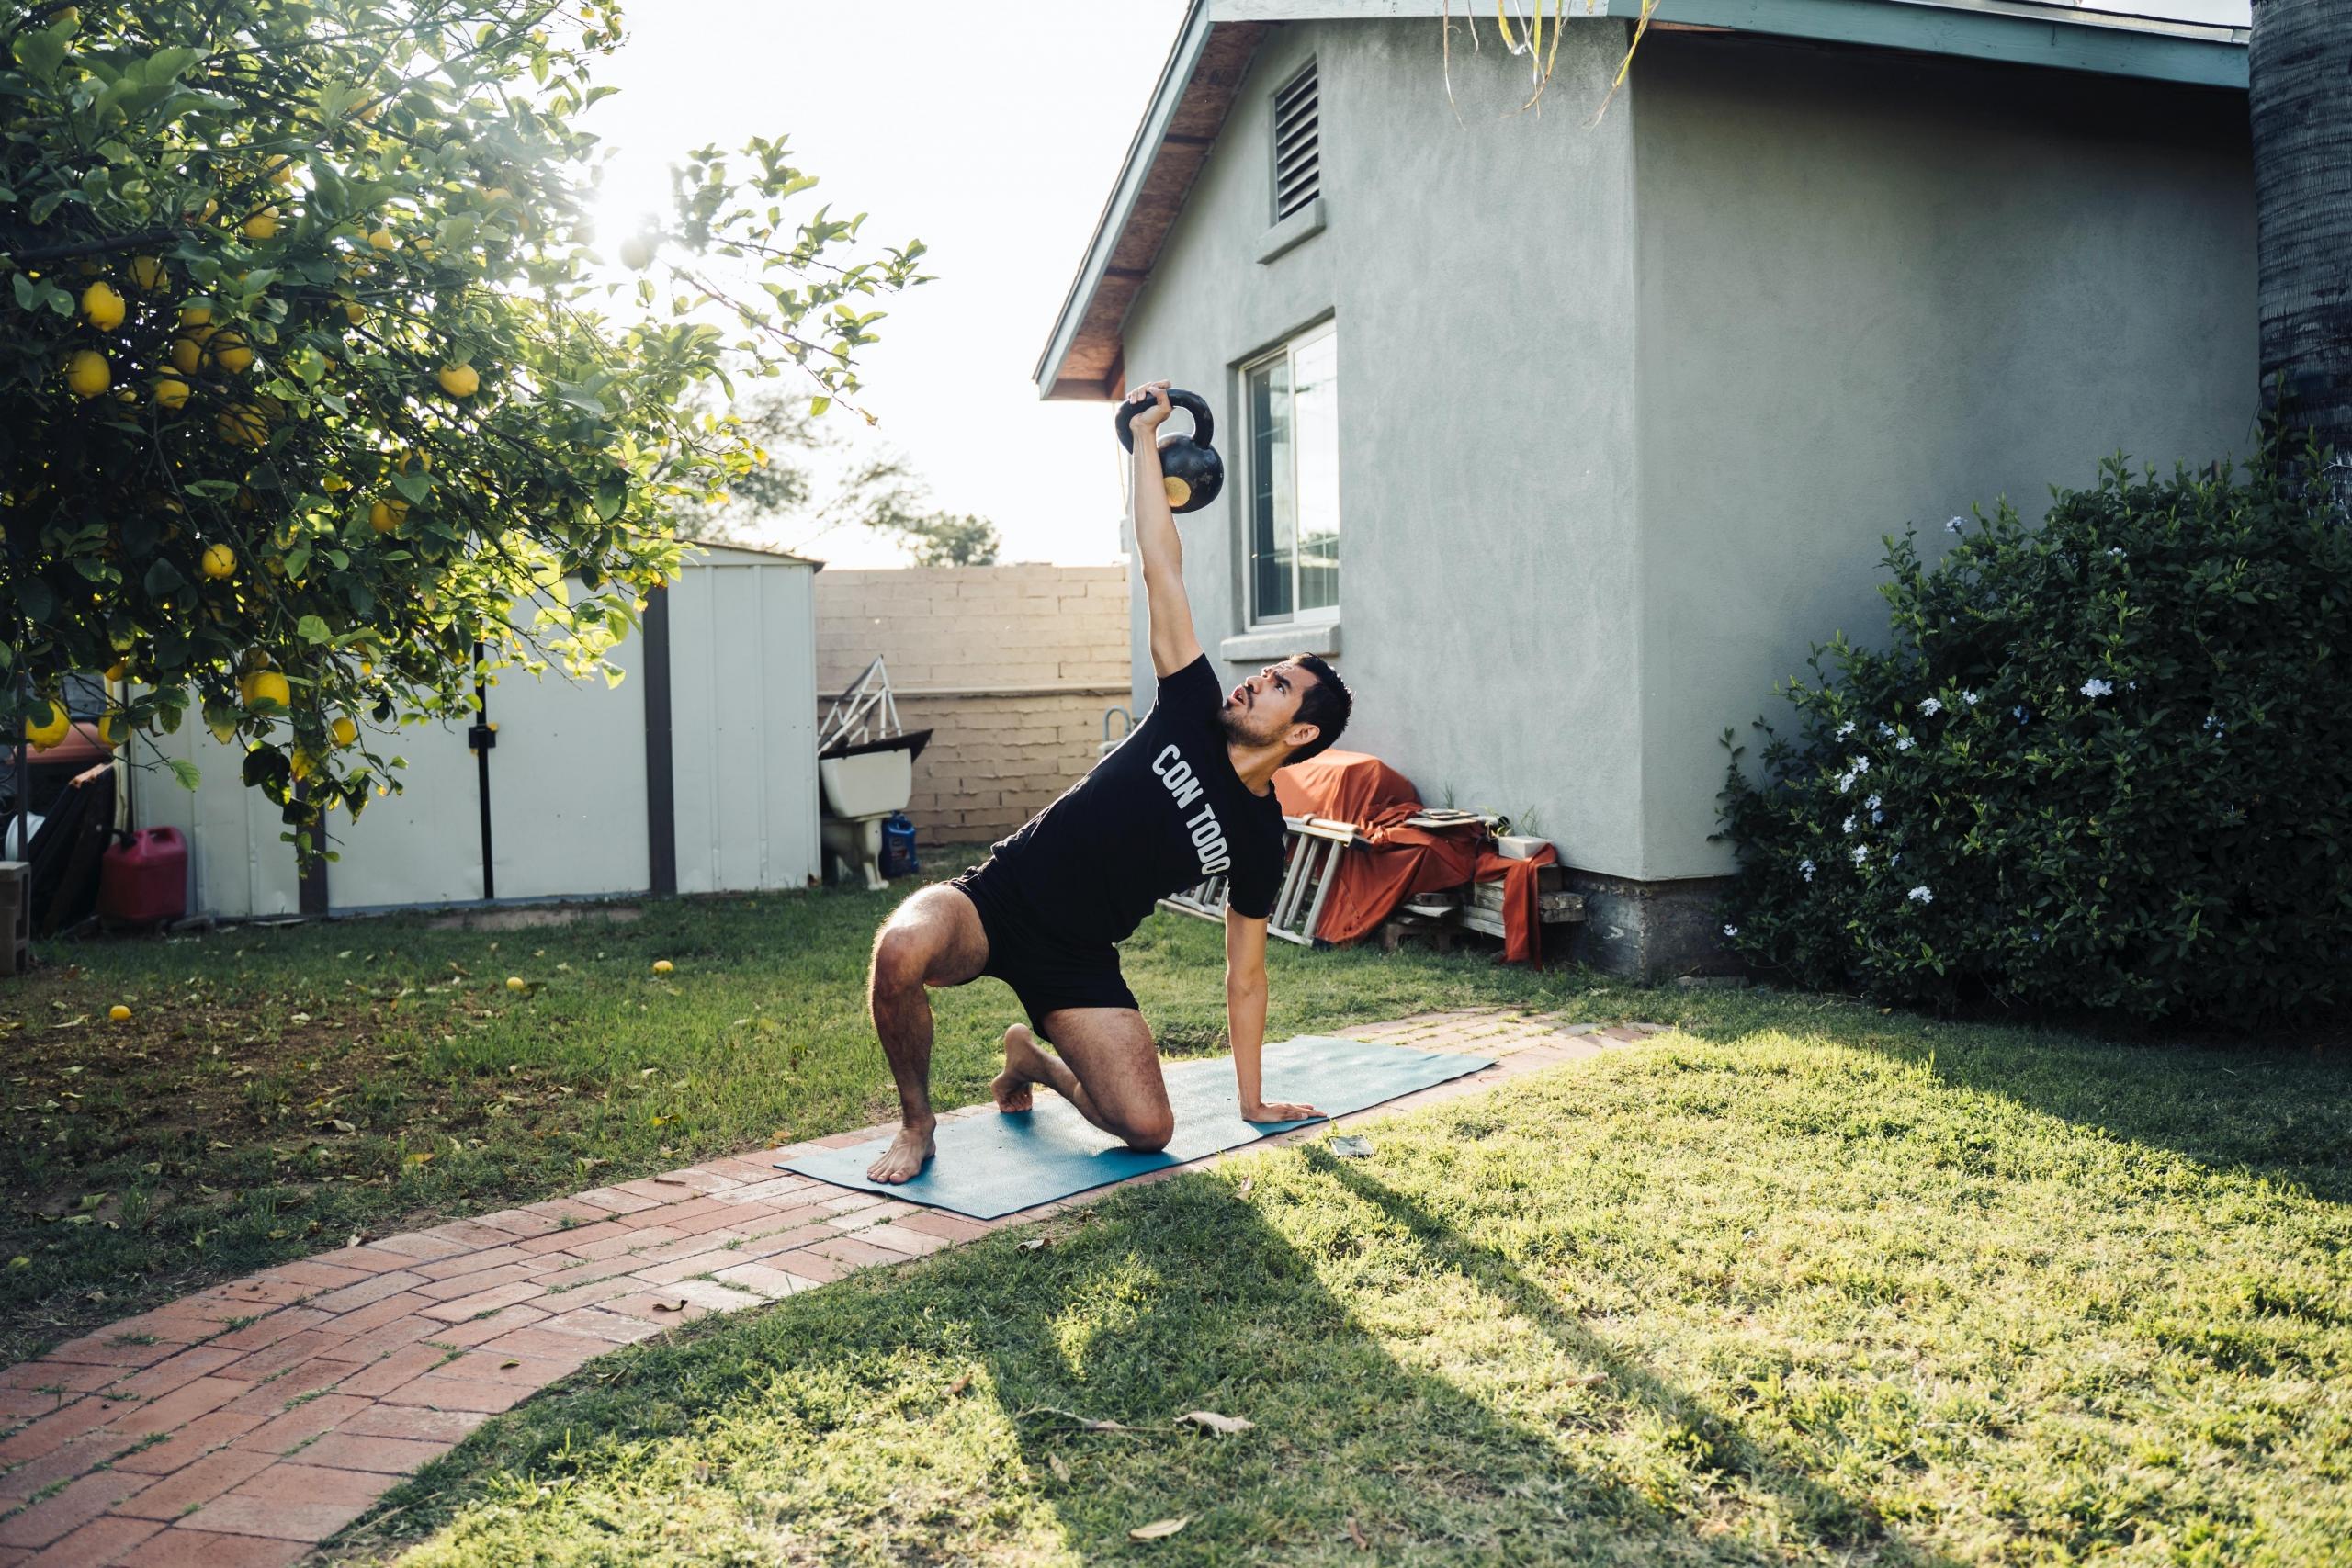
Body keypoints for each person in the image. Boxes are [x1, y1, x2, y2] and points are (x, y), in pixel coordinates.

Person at [862, 379, 1355, 1183]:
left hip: (1079, 959)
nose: (1252, 682)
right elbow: (1161, 564)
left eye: (1276, 686)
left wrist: (1253, 1098)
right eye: (1263, 672)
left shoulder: (1262, 839)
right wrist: (1145, 444)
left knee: (1148, 1128)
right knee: (900, 950)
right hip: (999, 898)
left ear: (1300, 733)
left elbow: (1246, 973)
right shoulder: (1191, 703)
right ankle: (918, 1124)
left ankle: (1031, 1059)